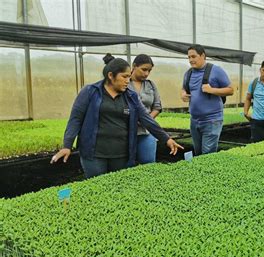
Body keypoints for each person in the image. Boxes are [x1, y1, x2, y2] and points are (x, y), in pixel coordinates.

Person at [51, 53, 183, 178]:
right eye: (124, 77)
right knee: (98, 188)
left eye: (128, 77)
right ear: (111, 75)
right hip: (94, 153)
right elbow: (76, 119)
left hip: (122, 154)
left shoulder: (131, 96)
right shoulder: (91, 92)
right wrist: (67, 146)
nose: (128, 81)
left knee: (119, 188)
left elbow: (147, 119)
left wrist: (166, 139)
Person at [180, 44, 233, 155]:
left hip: (212, 120)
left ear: (203, 55)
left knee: (207, 154)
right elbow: (184, 88)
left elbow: (230, 90)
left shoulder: (216, 71)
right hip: (194, 121)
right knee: (198, 152)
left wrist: (212, 90)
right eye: (189, 57)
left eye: (193, 56)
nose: (190, 60)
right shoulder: (188, 73)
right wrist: (183, 94)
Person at [128, 54, 162, 164]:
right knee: (126, 165)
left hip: (147, 131)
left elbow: (157, 106)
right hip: (126, 131)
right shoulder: (124, 83)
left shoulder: (150, 85)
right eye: (144, 69)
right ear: (134, 66)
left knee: (148, 163)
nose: (146, 73)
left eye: (149, 71)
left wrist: (146, 119)